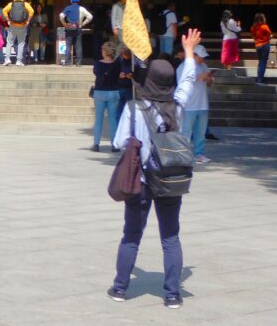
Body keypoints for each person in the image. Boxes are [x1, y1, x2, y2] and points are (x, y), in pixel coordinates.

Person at [108, 29, 202, 309]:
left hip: (142, 181)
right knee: (170, 236)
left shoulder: (134, 108)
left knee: (131, 235)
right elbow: (187, 82)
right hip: (171, 178)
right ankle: (173, 293)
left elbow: (119, 141)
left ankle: (120, 288)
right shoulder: (178, 105)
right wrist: (187, 52)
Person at [179, 43, 214, 164]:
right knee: (186, 131)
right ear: (193, 55)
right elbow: (181, 83)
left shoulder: (204, 65)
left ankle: (199, 153)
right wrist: (199, 77)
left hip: (202, 104)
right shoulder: (184, 66)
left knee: (201, 132)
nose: (202, 59)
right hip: (189, 105)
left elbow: (209, 83)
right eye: (200, 56)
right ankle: (184, 154)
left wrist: (209, 79)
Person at [91, 41, 121, 152]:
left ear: (105, 52)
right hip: (113, 91)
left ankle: (96, 144)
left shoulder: (98, 64)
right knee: (112, 119)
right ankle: (114, 144)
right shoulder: (117, 64)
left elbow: (96, 73)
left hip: (99, 92)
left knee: (98, 119)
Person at [59, 0, 93, 66]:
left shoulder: (68, 8)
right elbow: (90, 17)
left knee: (68, 45)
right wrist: (83, 24)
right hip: (78, 28)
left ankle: (67, 62)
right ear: (78, 1)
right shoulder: (82, 9)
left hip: (69, 28)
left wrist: (64, 23)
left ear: (71, 1)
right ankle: (78, 63)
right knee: (78, 45)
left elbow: (61, 15)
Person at [2, 0, 34, 66]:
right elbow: (32, 11)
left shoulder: (11, 4)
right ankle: (19, 60)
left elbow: (4, 10)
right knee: (21, 43)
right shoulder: (25, 4)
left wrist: (8, 20)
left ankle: (7, 59)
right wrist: (28, 21)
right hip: (22, 26)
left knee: (9, 42)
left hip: (12, 26)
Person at [250, 13, 272, 84]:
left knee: (260, 62)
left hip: (257, 46)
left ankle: (259, 77)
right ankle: (260, 79)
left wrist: (257, 40)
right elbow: (270, 35)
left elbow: (253, 37)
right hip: (265, 45)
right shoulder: (265, 26)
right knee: (263, 63)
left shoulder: (253, 27)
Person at [117, 45, 134, 121]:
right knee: (119, 110)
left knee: (131, 109)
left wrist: (132, 75)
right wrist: (119, 75)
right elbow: (114, 71)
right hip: (120, 87)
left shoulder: (133, 61)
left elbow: (137, 72)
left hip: (130, 88)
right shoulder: (119, 60)